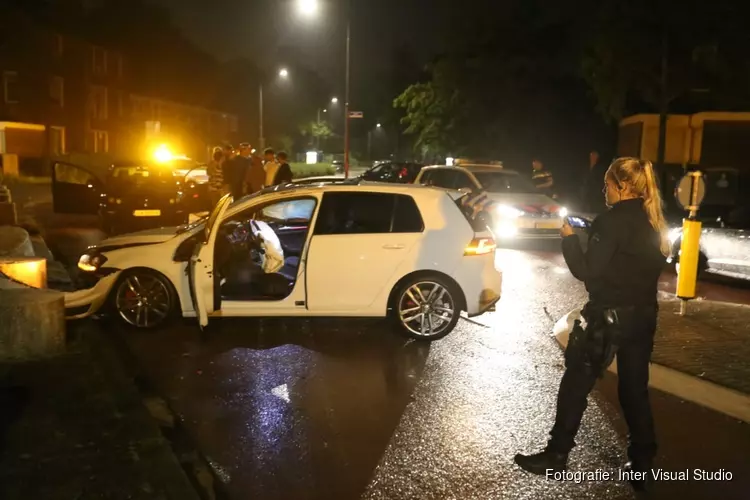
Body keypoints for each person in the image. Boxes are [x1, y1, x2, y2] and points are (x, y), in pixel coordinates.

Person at [514, 158, 669, 492]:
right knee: (634, 390)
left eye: (608, 184)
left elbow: (588, 271)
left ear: (623, 186)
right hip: (643, 316)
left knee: (575, 384)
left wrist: (570, 238)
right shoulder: (651, 221)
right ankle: (642, 462)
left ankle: (556, 456)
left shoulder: (610, 222)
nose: (605, 190)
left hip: (608, 318)